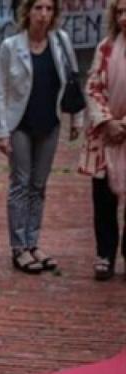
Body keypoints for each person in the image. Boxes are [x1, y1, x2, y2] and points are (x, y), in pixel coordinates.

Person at [0, 0, 82, 274]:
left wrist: (76, 118)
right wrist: (1, 131)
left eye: (48, 9)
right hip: (20, 122)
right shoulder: (11, 46)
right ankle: (18, 247)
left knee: (39, 185)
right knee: (20, 183)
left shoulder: (61, 42)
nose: (43, 15)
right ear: (27, 12)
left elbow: (72, 79)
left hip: (50, 122)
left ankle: (33, 242)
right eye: (38, 8)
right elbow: (0, 90)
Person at [78, 0, 126, 280]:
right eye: (119, 11)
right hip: (106, 137)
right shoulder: (105, 48)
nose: (123, 17)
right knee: (103, 199)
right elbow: (93, 86)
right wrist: (107, 121)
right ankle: (105, 254)